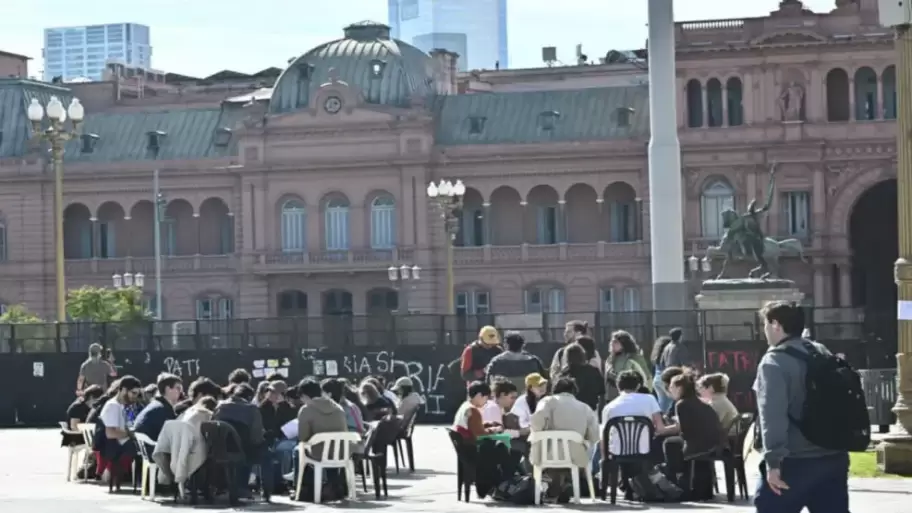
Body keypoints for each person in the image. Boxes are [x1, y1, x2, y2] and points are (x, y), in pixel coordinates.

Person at [753, 301, 849, 513]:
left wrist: (773, 462)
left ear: (776, 325)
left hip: (794, 460)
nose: (764, 330)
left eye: (765, 324)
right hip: (833, 455)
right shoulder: (820, 351)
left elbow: (772, 416)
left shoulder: (773, 362)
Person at [530, 376, 600, 502]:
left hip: (548, 454)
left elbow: (536, 422)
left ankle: (555, 487)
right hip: (575, 456)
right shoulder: (585, 407)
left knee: (540, 449)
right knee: (575, 455)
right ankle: (563, 484)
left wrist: (542, 432)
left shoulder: (547, 401)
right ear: (574, 391)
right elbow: (594, 436)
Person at [662, 372, 726, 500]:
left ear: (680, 388)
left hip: (699, 444)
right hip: (713, 442)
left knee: (669, 443)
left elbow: (685, 432)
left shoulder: (681, 404)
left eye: (672, 387)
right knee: (674, 442)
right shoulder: (699, 401)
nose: (670, 390)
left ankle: (676, 481)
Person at [596, 370, 670, 473]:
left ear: (618, 386)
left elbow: (604, 437)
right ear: (638, 386)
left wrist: (605, 460)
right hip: (644, 450)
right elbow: (660, 429)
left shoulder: (608, 407)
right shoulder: (650, 399)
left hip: (617, 452)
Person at [98, 375, 143, 482]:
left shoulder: (120, 406)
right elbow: (110, 433)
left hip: (121, 444)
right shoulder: (113, 406)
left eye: (137, 394)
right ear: (123, 390)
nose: (135, 397)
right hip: (115, 448)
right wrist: (131, 434)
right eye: (133, 393)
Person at [296, 378, 349, 461]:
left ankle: (298, 470)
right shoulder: (338, 408)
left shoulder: (306, 410)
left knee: (296, 450)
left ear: (304, 396)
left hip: (318, 455)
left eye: (301, 398)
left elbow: (302, 438)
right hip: (342, 453)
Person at [134, 373, 183, 444]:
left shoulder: (155, 406)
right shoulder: (163, 410)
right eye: (178, 388)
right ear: (168, 389)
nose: (181, 392)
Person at [556, 341, 604, 412]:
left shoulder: (565, 374)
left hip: (571, 410)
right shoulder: (594, 371)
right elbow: (602, 392)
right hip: (591, 409)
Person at [605, 331, 650, 402]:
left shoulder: (635, 358)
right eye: (611, 341)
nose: (612, 344)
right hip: (612, 395)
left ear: (624, 343)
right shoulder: (611, 358)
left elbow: (646, 377)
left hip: (631, 394)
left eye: (615, 342)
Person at [650, 335, 674, 412]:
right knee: (671, 402)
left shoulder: (657, 356)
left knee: (663, 402)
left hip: (657, 380)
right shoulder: (668, 355)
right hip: (665, 380)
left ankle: (660, 417)